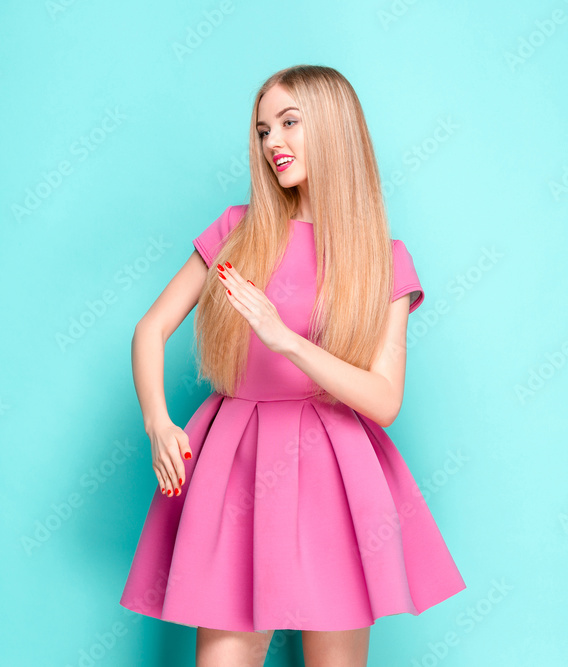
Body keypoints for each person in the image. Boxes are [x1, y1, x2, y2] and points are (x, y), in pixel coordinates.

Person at [119, 64, 466, 666]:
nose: (272, 142)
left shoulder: (383, 260)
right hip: (233, 463)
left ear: (333, 129)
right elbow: (150, 329)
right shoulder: (237, 231)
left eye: (289, 123)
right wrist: (158, 421)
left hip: (336, 471)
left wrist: (288, 341)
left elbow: (384, 401)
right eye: (261, 131)